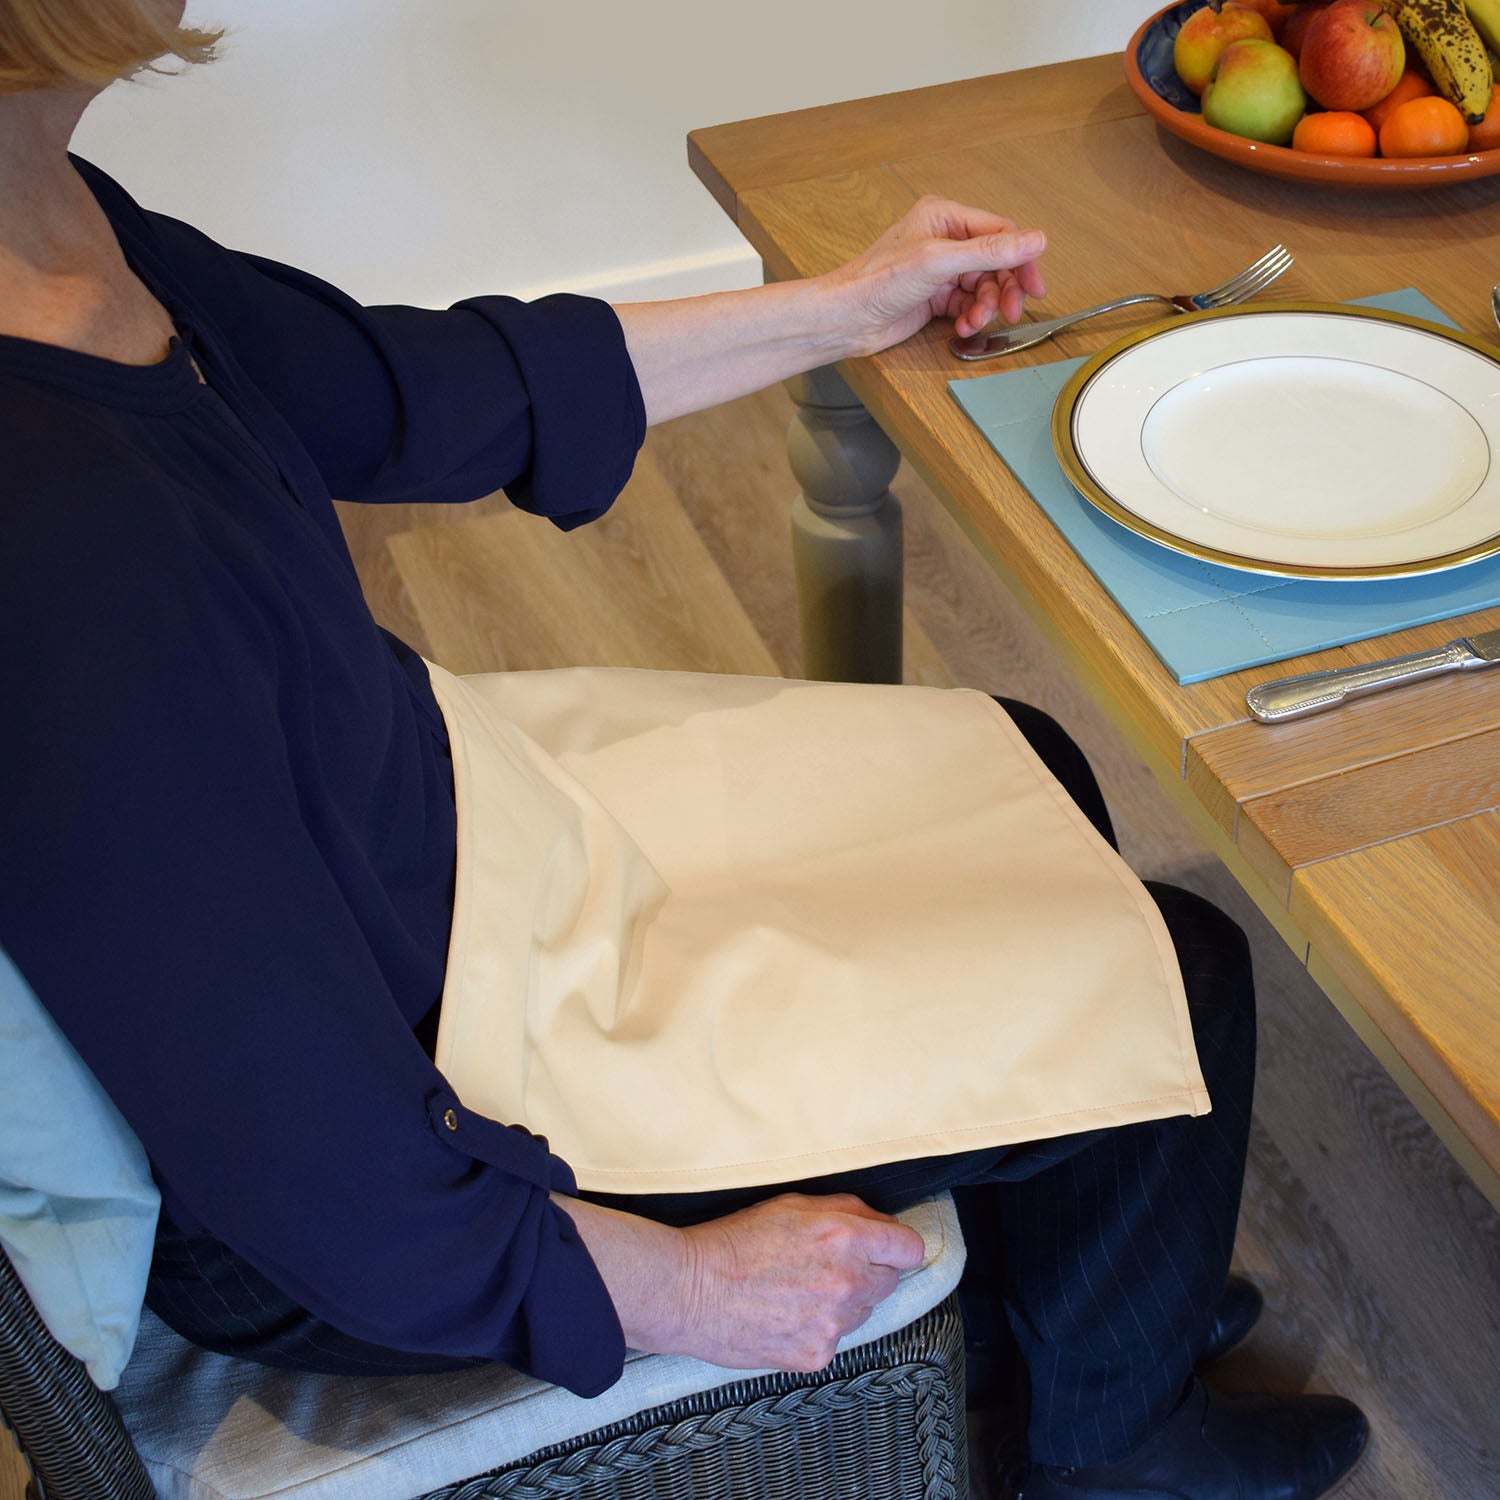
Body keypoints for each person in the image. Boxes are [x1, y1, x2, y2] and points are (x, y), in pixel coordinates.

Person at [0, 4, 1370, 1498]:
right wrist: (674, 1285)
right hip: (417, 1128)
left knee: (1025, 760)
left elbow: (402, 392)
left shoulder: (50, 219)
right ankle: (1126, 1451)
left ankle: (1062, 1316)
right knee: (1181, 974)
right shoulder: (64, 538)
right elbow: (300, 1154)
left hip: (433, 864)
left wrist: (842, 306)